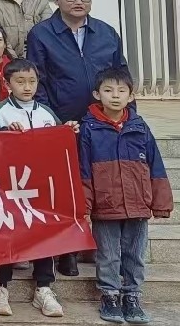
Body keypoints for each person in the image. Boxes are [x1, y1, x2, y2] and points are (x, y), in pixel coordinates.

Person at [26, 0, 127, 278]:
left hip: (103, 122)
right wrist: (51, 121)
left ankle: (98, 245)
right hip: (62, 124)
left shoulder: (106, 32)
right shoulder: (41, 34)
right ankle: (67, 250)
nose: (78, 2)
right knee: (66, 186)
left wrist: (126, 115)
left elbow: (121, 75)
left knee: (101, 182)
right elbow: (38, 81)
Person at [0, 59, 74, 318]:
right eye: (20, 82)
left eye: (32, 81)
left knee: (44, 232)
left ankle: (44, 287)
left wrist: (68, 130)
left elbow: (60, 140)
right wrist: (3, 132)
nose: (27, 87)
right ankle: (1, 286)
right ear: (7, 84)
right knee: (8, 232)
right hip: (9, 185)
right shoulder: (0, 110)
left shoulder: (46, 112)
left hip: (41, 185)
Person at [80, 67, 172, 325]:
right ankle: (110, 296)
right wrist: (84, 205)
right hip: (105, 204)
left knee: (135, 254)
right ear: (97, 94)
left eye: (122, 91)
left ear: (131, 96)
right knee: (108, 255)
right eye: (108, 90)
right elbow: (83, 170)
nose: (115, 96)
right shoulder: (89, 129)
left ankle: (132, 296)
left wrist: (160, 202)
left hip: (138, 203)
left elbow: (156, 165)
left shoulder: (140, 127)